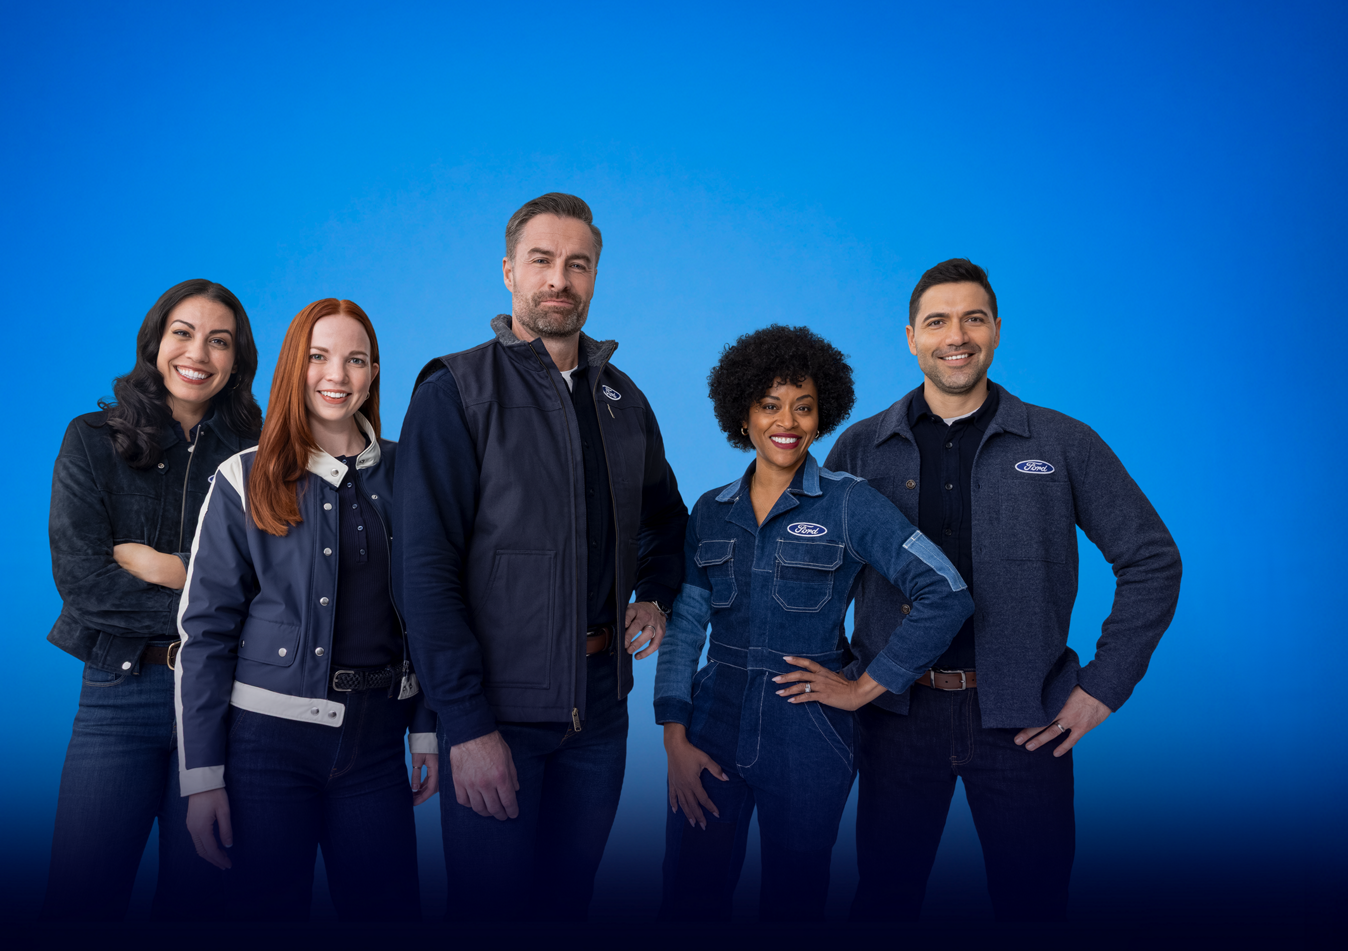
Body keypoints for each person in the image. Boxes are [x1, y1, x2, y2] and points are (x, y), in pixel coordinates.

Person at [827, 258, 1183, 922]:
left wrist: (1104, 685)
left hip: (1027, 718)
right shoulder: (861, 448)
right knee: (882, 902)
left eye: (973, 318)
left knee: (1034, 906)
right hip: (896, 717)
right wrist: (848, 683)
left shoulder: (1062, 442)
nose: (955, 335)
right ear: (910, 336)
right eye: (937, 321)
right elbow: (819, 576)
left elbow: (1152, 560)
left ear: (996, 331)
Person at [397, 192, 689, 920]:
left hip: (600, 714)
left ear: (594, 276)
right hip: (497, 714)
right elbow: (423, 575)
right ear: (508, 272)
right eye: (542, 261)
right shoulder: (454, 390)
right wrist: (464, 724)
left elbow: (668, 520)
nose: (559, 279)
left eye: (577, 264)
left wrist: (653, 591)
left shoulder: (624, 399)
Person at [653, 324, 974, 920]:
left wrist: (864, 687)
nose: (788, 422)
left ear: (822, 415)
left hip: (808, 734)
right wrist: (674, 736)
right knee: (688, 895)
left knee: (794, 901)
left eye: (804, 408)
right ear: (741, 414)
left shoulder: (849, 502)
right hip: (711, 721)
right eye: (770, 405)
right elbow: (687, 626)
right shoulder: (710, 510)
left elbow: (946, 591)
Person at [174, 298, 439, 920]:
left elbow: (436, 608)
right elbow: (204, 635)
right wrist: (202, 779)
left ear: (374, 372)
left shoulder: (413, 473)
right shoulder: (244, 477)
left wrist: (426, 727)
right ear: (295, 366)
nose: (337, 376)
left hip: (378, 742)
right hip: (266, 747)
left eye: (356, 360)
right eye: (319, 357)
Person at [42, 278, 263, 920]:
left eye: (219, 342)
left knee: (204, 905)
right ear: (155, 343)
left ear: (237, 361)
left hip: (226, 700)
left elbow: (277, 584)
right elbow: (84, 582)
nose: (198, 354)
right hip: (120, 691)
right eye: (183, 334)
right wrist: (215, 606)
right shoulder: (91, 439)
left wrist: (172, 569)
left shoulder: (259, 456)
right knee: (80, 900)